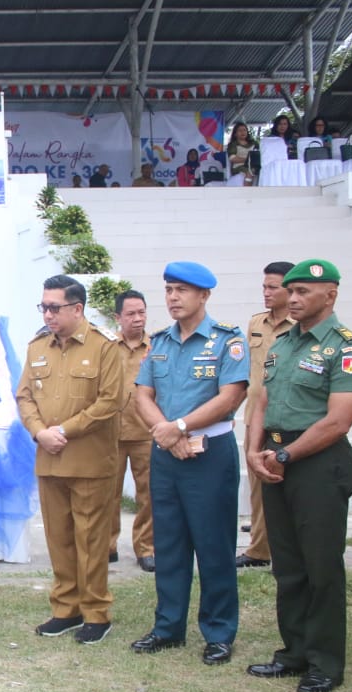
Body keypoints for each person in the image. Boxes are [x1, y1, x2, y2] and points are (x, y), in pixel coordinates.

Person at [245, 259, 352, 692]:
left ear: (330, 295)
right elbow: (261, 400)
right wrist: (254, 448)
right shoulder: (283, 345)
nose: (293, 298)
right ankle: (294, 652)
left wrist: (284, 453)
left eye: (302, 292)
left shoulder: (347, 348)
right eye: (291, 291)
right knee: (288, 565)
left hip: (319, 462)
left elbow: (338, 421)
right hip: (277, 456)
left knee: (321, 567)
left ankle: (324, 663)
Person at [131, 262, 248, 665]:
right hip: (167, 454)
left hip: (209, 455)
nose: (173, 298)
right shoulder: (160, 341)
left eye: (182, 290)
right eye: (169, 290)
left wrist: (178, 426)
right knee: (169, 543)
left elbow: (230, 396)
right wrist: (167, 431)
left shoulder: (227, 341)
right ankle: (168, 626)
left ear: (204, 296)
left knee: (213, 545)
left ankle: (218, 632)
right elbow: (142, 394)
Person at [17, 276, 125, 645]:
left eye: (54, 307)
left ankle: (96, 612)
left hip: (90, 461)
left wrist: (64, 430)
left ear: (77, 309)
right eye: (43, 307)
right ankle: (66, 609)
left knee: (91, 540)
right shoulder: (37, 347)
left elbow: (110, 401)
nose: (47, 314)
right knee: (58, 539)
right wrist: (39, 432)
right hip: (49, 459)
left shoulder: (104, 346)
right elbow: (25, 397)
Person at [237, 262, 296, 570]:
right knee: (258, 482)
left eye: (273, 287)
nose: (267, 292)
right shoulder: (256, 323)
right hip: (254, 416)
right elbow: (247, 372)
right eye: (264, 286)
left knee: (287, 482)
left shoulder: (299, 326)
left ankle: (285, 546)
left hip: (287, 417)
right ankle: (259, 549)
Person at [110, 290, 155, 572]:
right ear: (118, 317)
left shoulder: (158, 346)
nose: (137, 319)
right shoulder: (106, 347)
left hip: (146, 432)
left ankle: (146, 547)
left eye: (142, 312)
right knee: (106, 494)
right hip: (110, 433)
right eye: (131, 314)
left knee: (149, 494)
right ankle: (106, 546)